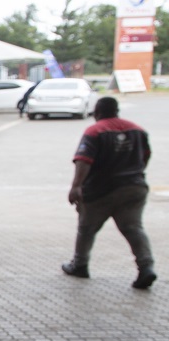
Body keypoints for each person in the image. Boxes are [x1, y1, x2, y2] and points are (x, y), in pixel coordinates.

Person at [61, 96, 156, 289]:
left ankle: (80, 264)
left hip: (101, 190)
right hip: (134, 187)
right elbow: (146, 156)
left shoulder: (95, 131)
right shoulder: (137, 130)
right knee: (133, 228)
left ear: (97, 112)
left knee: (87, 228)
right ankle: (146, 267)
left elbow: (83, 160)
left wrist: (76, 186)